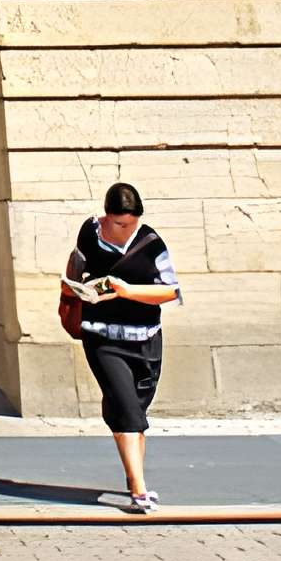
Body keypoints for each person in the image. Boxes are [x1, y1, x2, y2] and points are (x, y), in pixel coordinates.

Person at [64, 181, 181, 515]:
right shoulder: (89, 231)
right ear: (106, 216)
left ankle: (134, 478)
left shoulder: (151, 244)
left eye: (130, 223)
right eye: (118, 224)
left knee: (133, 411)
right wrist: (76, 290)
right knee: (127, 407)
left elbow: (171, 291)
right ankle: (140, 490)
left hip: (145, 339)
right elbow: (76, 266)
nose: (125, 230)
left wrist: (128, 291)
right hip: (101, 336)